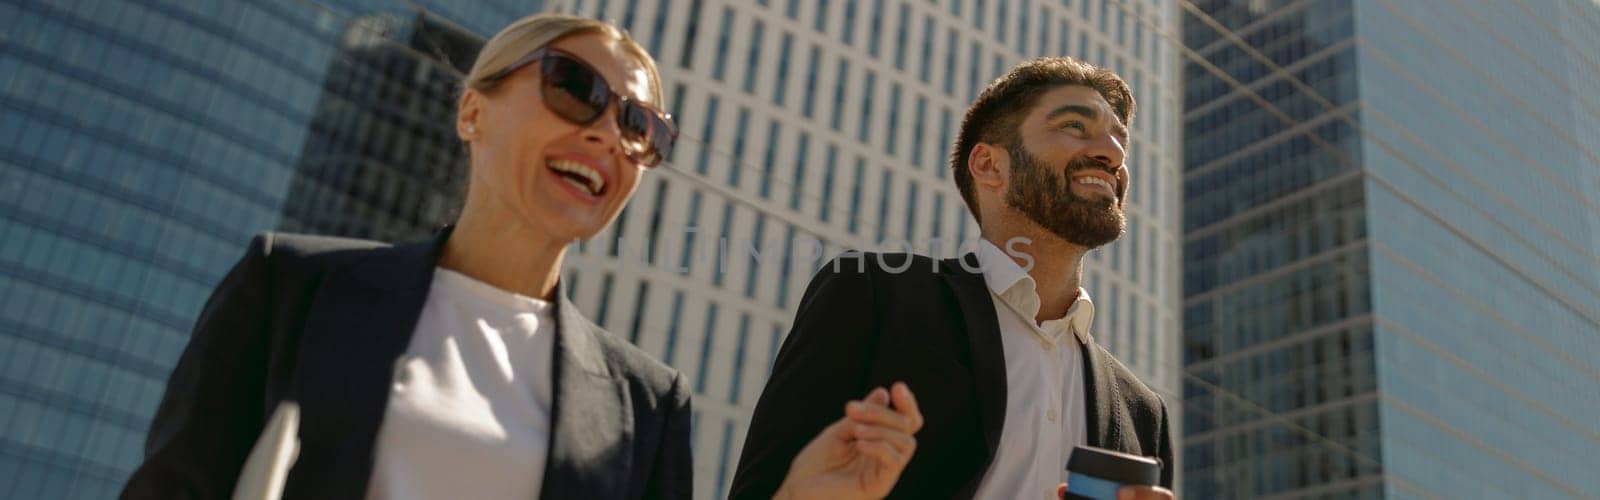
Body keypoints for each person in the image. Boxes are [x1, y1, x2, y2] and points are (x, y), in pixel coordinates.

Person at [121, 14, 921, 500]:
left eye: (643, 126)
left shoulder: (648, 403)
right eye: (575, 88)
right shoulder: (290, 286)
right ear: (473, 109)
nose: (611, 132)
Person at [731, 57, 1176, 500]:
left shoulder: (1144, 412)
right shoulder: (873, 297)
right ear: (988, 165)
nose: (1114, 153)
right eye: (1075, 127)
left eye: (1120, 140)